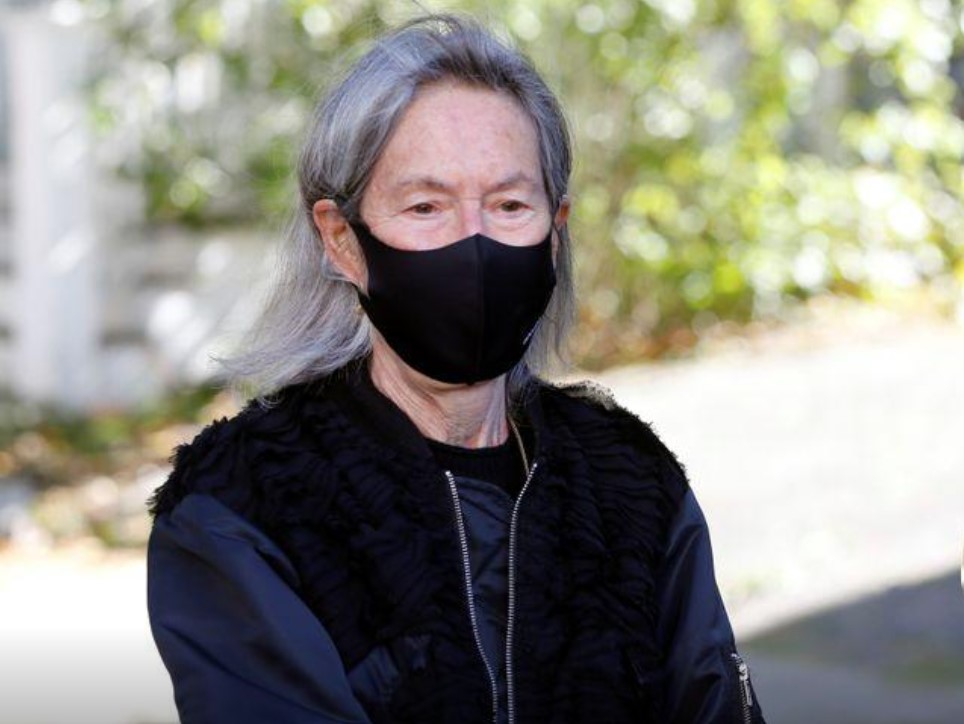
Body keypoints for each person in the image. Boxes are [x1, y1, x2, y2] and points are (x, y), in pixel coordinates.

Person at [147, 14, 765, 724]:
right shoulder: (245, 507)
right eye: (425, 206)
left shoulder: (630, 485)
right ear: (341, 240)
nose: (474, 242)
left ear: (555, 234)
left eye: (509, 204)